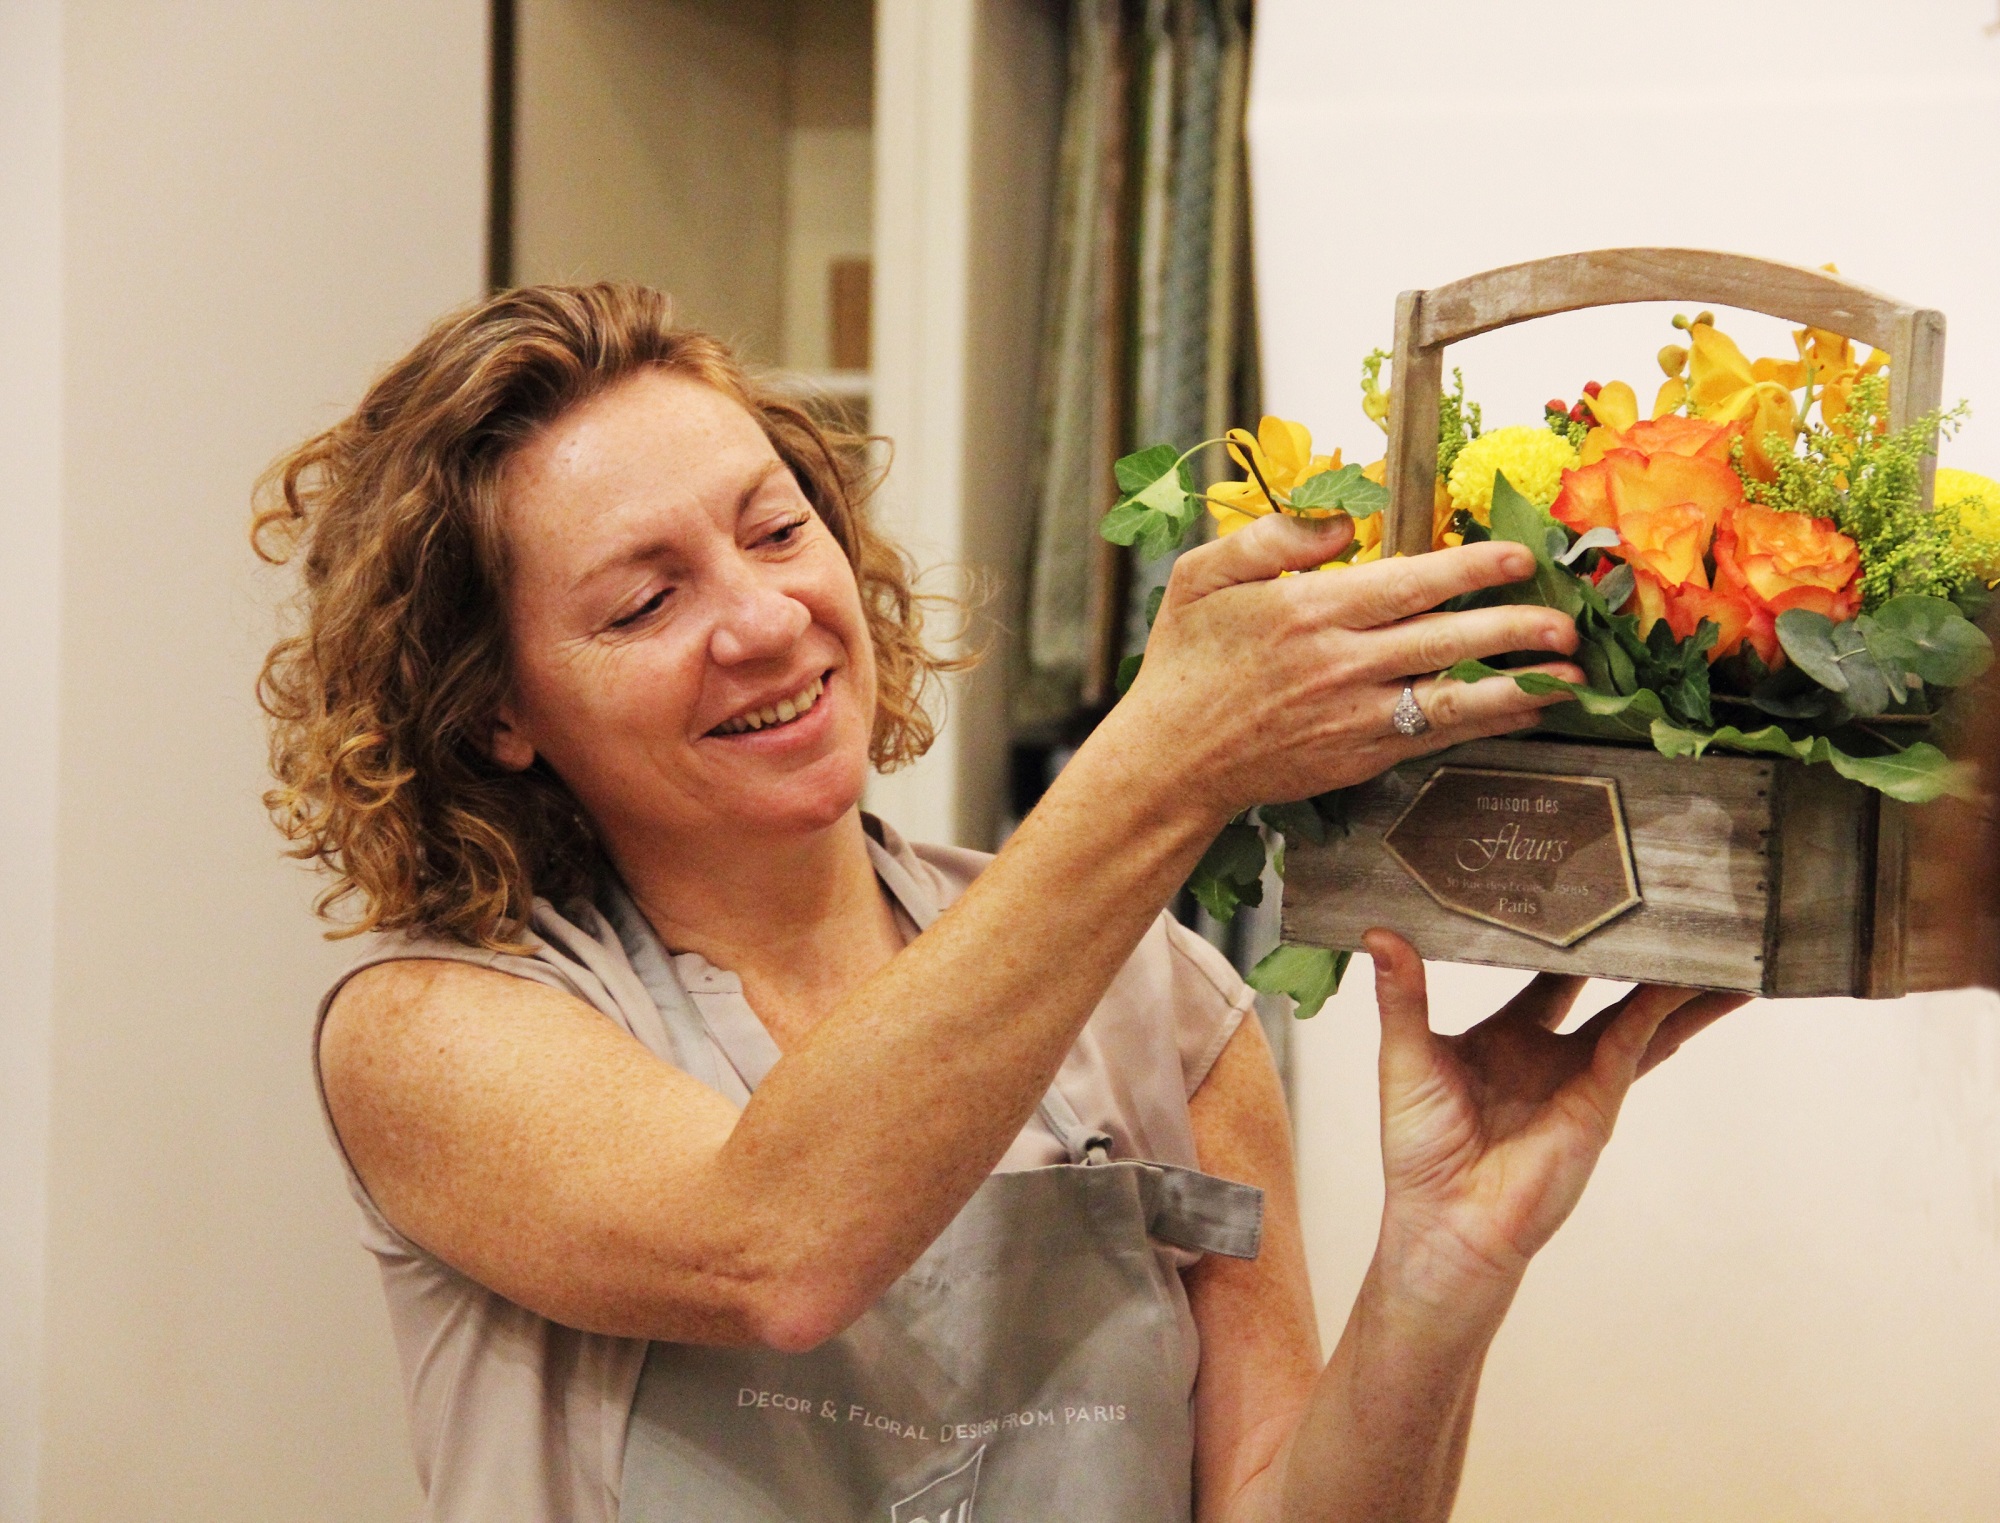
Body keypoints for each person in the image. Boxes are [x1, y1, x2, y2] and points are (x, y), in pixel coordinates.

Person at [256, 283, 1739, 1523]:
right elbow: (775, 1244)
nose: (766, 620)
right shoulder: (431, 1034)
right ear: (496, 708)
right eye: (645, 603)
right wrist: (1167, 756)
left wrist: (1440, 1267)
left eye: (777, 532)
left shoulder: (1162, 1006)